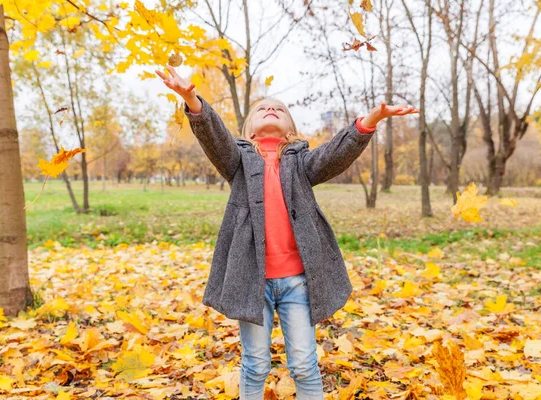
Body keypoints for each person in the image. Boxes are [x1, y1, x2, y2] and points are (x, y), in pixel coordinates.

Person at [155, 64, 418, 399]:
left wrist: (369, 121)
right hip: (252, 279)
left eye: (279, 109)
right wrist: (192, 99)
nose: (271, 109)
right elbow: (214, 137)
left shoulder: (300, 161)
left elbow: (335, 154)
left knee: (305, 364)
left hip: (297, 282)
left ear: (290, 130)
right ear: (249, 128)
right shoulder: (238, 160)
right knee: (255, 364)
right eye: (263, 107)